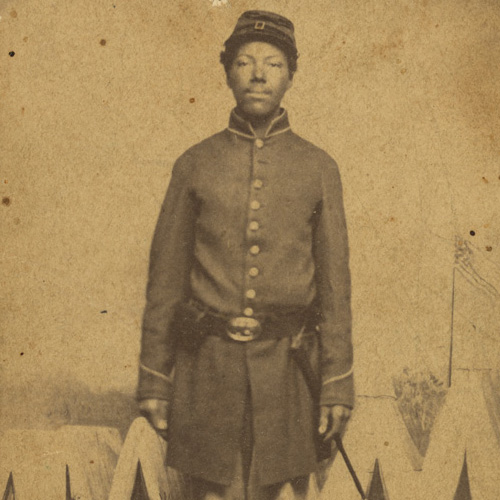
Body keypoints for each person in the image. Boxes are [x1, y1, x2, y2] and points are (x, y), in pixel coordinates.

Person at [137, 10, 354, 500]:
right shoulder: (193, 164)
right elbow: (165, 281)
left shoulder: (319, 168)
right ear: (228, 72)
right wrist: (153, 377)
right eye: (245, 62)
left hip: (289, 375)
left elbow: (337, 289)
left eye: (273, 64)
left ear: (291, 75)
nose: (258, 74)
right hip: (206, 373)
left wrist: (337, 384)